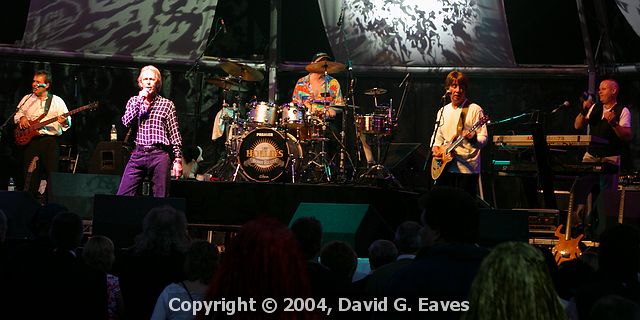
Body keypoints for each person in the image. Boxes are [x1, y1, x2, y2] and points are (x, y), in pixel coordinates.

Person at [573, 78, 632, 239]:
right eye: (599, 88)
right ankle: (579, 226)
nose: (599, 91)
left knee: (607, 198)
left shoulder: (622, 110)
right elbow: (578, 125)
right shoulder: (595, 107)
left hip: (610, 157)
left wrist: (614, 123)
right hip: (591, 155)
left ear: (614, 91)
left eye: (604, 89)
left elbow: (626, 136)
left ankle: (602, 233)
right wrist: (584, 111)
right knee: (580, 189)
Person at [117, 65, 183, 197]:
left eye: (152, 79)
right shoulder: (134, 101)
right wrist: (140, 102)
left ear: (157, 83)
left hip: (159, 154)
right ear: (140, 83)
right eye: (145, 79)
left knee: (161, 196)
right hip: (138, 153)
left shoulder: (167, 104)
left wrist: (178, 159)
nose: (148, 82)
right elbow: (126, 122)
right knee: (123, 195)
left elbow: (174, 133)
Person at [430, 70, 488, 196]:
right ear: (448, 88)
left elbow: (483, 139)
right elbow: (437, 135)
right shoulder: (442, 111)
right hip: (445, 168)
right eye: (454, 86)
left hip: (466, 170)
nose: (458, 90)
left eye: (461, 87)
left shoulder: (474, 109)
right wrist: (435, 148)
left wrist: (473, 139)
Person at [13, 70, 71, 196]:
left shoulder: (57, 101)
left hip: (49, 142)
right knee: (30, 176)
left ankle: (51, 204)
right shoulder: (27, 99)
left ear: (47, 85)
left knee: (52, 175)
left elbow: (68, 123)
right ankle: (29, 204)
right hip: (31, 142)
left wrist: (64, 120)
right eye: (34, 81)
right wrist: (22, 118)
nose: (34, 84)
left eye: (38, 82)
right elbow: (16, 115)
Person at [291, 52, 345, 119]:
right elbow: (295, 105)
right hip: (306, 123)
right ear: (312, 64)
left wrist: (332, 111)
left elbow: (339, 106)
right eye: (320, 62)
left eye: (326, 62)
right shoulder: (301, 82)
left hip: (327, 123)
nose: (323, 64)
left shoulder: (333, 83)